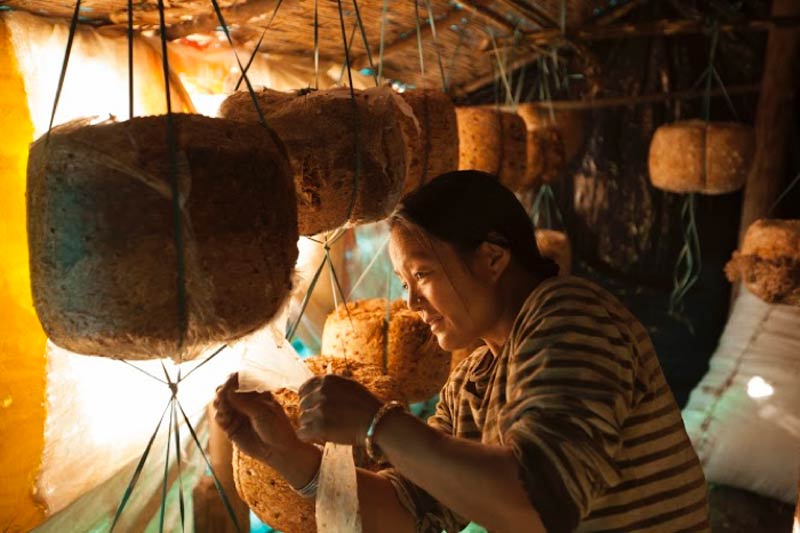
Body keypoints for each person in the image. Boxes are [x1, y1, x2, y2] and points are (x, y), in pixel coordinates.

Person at [215, 170, 710, 532]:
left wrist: (376, 422)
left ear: (493, 257)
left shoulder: (570, 315)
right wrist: (288, 453)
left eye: (423, 275)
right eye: (404, 282)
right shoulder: (477, 374)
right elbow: (413, 511)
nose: (410, 303)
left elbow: (540, 504)